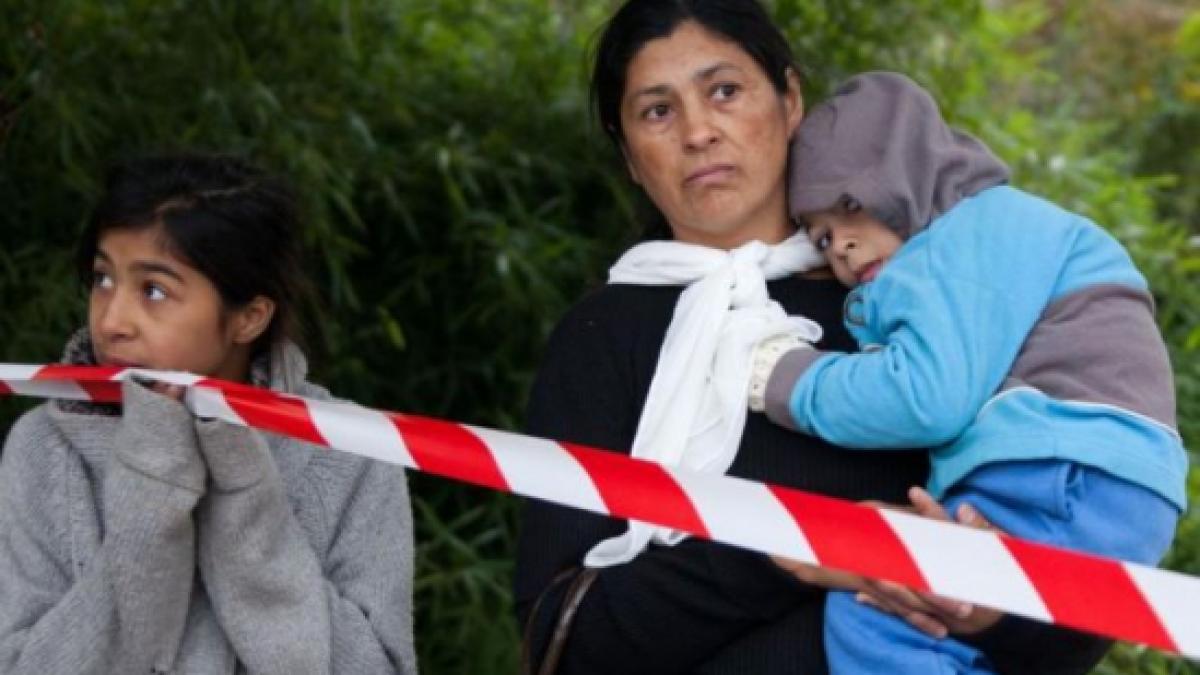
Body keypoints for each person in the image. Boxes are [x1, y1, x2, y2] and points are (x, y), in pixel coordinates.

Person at [513, 3, 931, 673]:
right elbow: (558, 640)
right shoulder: (602, 336)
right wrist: (784, 551)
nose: (699, 132)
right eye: (657, 111)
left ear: (790, 101)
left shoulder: (903, 301)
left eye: (725, 92)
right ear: (628, 154)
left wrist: (985, 593)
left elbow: (1055, 617)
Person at [750, 71, 1186, 673]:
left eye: (851, 206)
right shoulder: (990, 235)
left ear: (908, 168)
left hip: (1066, 473)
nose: (842, 246)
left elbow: (925, 398)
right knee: (931, 629)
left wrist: (783, 377)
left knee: (876, 616)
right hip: (1096, 479)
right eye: (822, 237)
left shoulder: (970, 234)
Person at [0, 153, 417, 674]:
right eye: (103, 279)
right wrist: (151, 495)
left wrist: (244, 494)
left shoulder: (353, 454)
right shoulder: (42, 448)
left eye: (154, 290)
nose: (111, 321)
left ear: (248, 318)